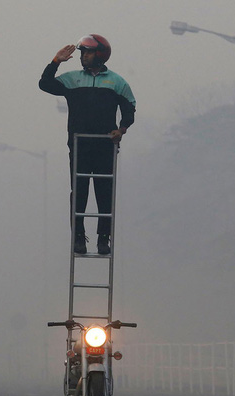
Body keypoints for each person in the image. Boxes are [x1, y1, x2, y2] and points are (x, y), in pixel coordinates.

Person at [39, 34, 136, 255]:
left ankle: (104, 238)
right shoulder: (72, 79)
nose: (83, 56)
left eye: (88, 52)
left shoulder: (117, 82)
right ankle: (79, 238)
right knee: (79, 191)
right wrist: (55, 61)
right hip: (79, 144)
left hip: (105, 145)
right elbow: (44, 84)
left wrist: (121, 129)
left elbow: (129, 106)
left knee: (104, 191)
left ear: (100, 55)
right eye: (82, 52)